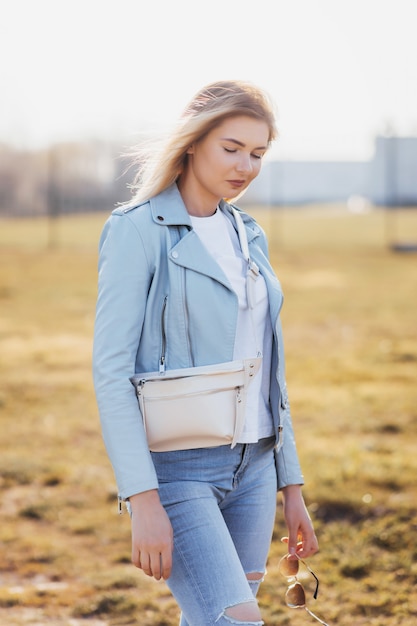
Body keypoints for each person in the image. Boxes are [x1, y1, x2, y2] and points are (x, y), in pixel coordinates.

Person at [93, 80, 319, 626]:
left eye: (259, 153)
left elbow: (269, 369)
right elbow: (112, 372)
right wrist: (141, 498)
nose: (246, 166)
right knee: (235, 620)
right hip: (178, 468)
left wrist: (293, 487)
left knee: (213, 618)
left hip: (256, 466)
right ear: (193, 142)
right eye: (232, 148)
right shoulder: (136, 230)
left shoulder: (249, 234)